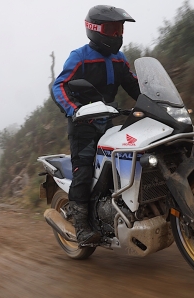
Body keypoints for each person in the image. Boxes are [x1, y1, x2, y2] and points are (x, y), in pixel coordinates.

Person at [51, 5, 140, 245]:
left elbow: (135, 87)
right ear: (95, 29)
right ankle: (81, 227)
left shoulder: (120, 59)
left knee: (128, 159)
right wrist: (75, 110)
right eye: (111, 29)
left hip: (108, 123)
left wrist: (156, 103)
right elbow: (59, 86)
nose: (117, 35)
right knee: (84, 168)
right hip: (83, 126)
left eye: (119, 29)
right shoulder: (80, 56)